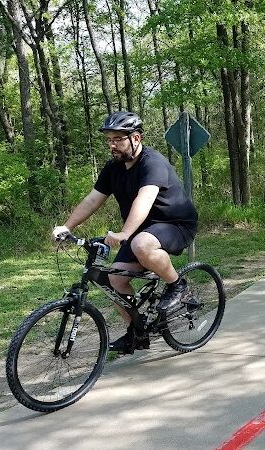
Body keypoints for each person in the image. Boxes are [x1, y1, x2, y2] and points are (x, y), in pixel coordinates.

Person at [52, 111, 198, 354]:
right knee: (115, 279)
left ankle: (178, 286)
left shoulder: (153, 163)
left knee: (141, 244)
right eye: (109, 140)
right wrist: (68, 226)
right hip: (143, 230)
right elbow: (92, 200)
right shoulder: (113, 168)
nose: (112, 145)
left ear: (136, 138)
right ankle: (137, 334)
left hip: (176, 224)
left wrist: (123, 233)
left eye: (118, 139)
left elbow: (145, 199)